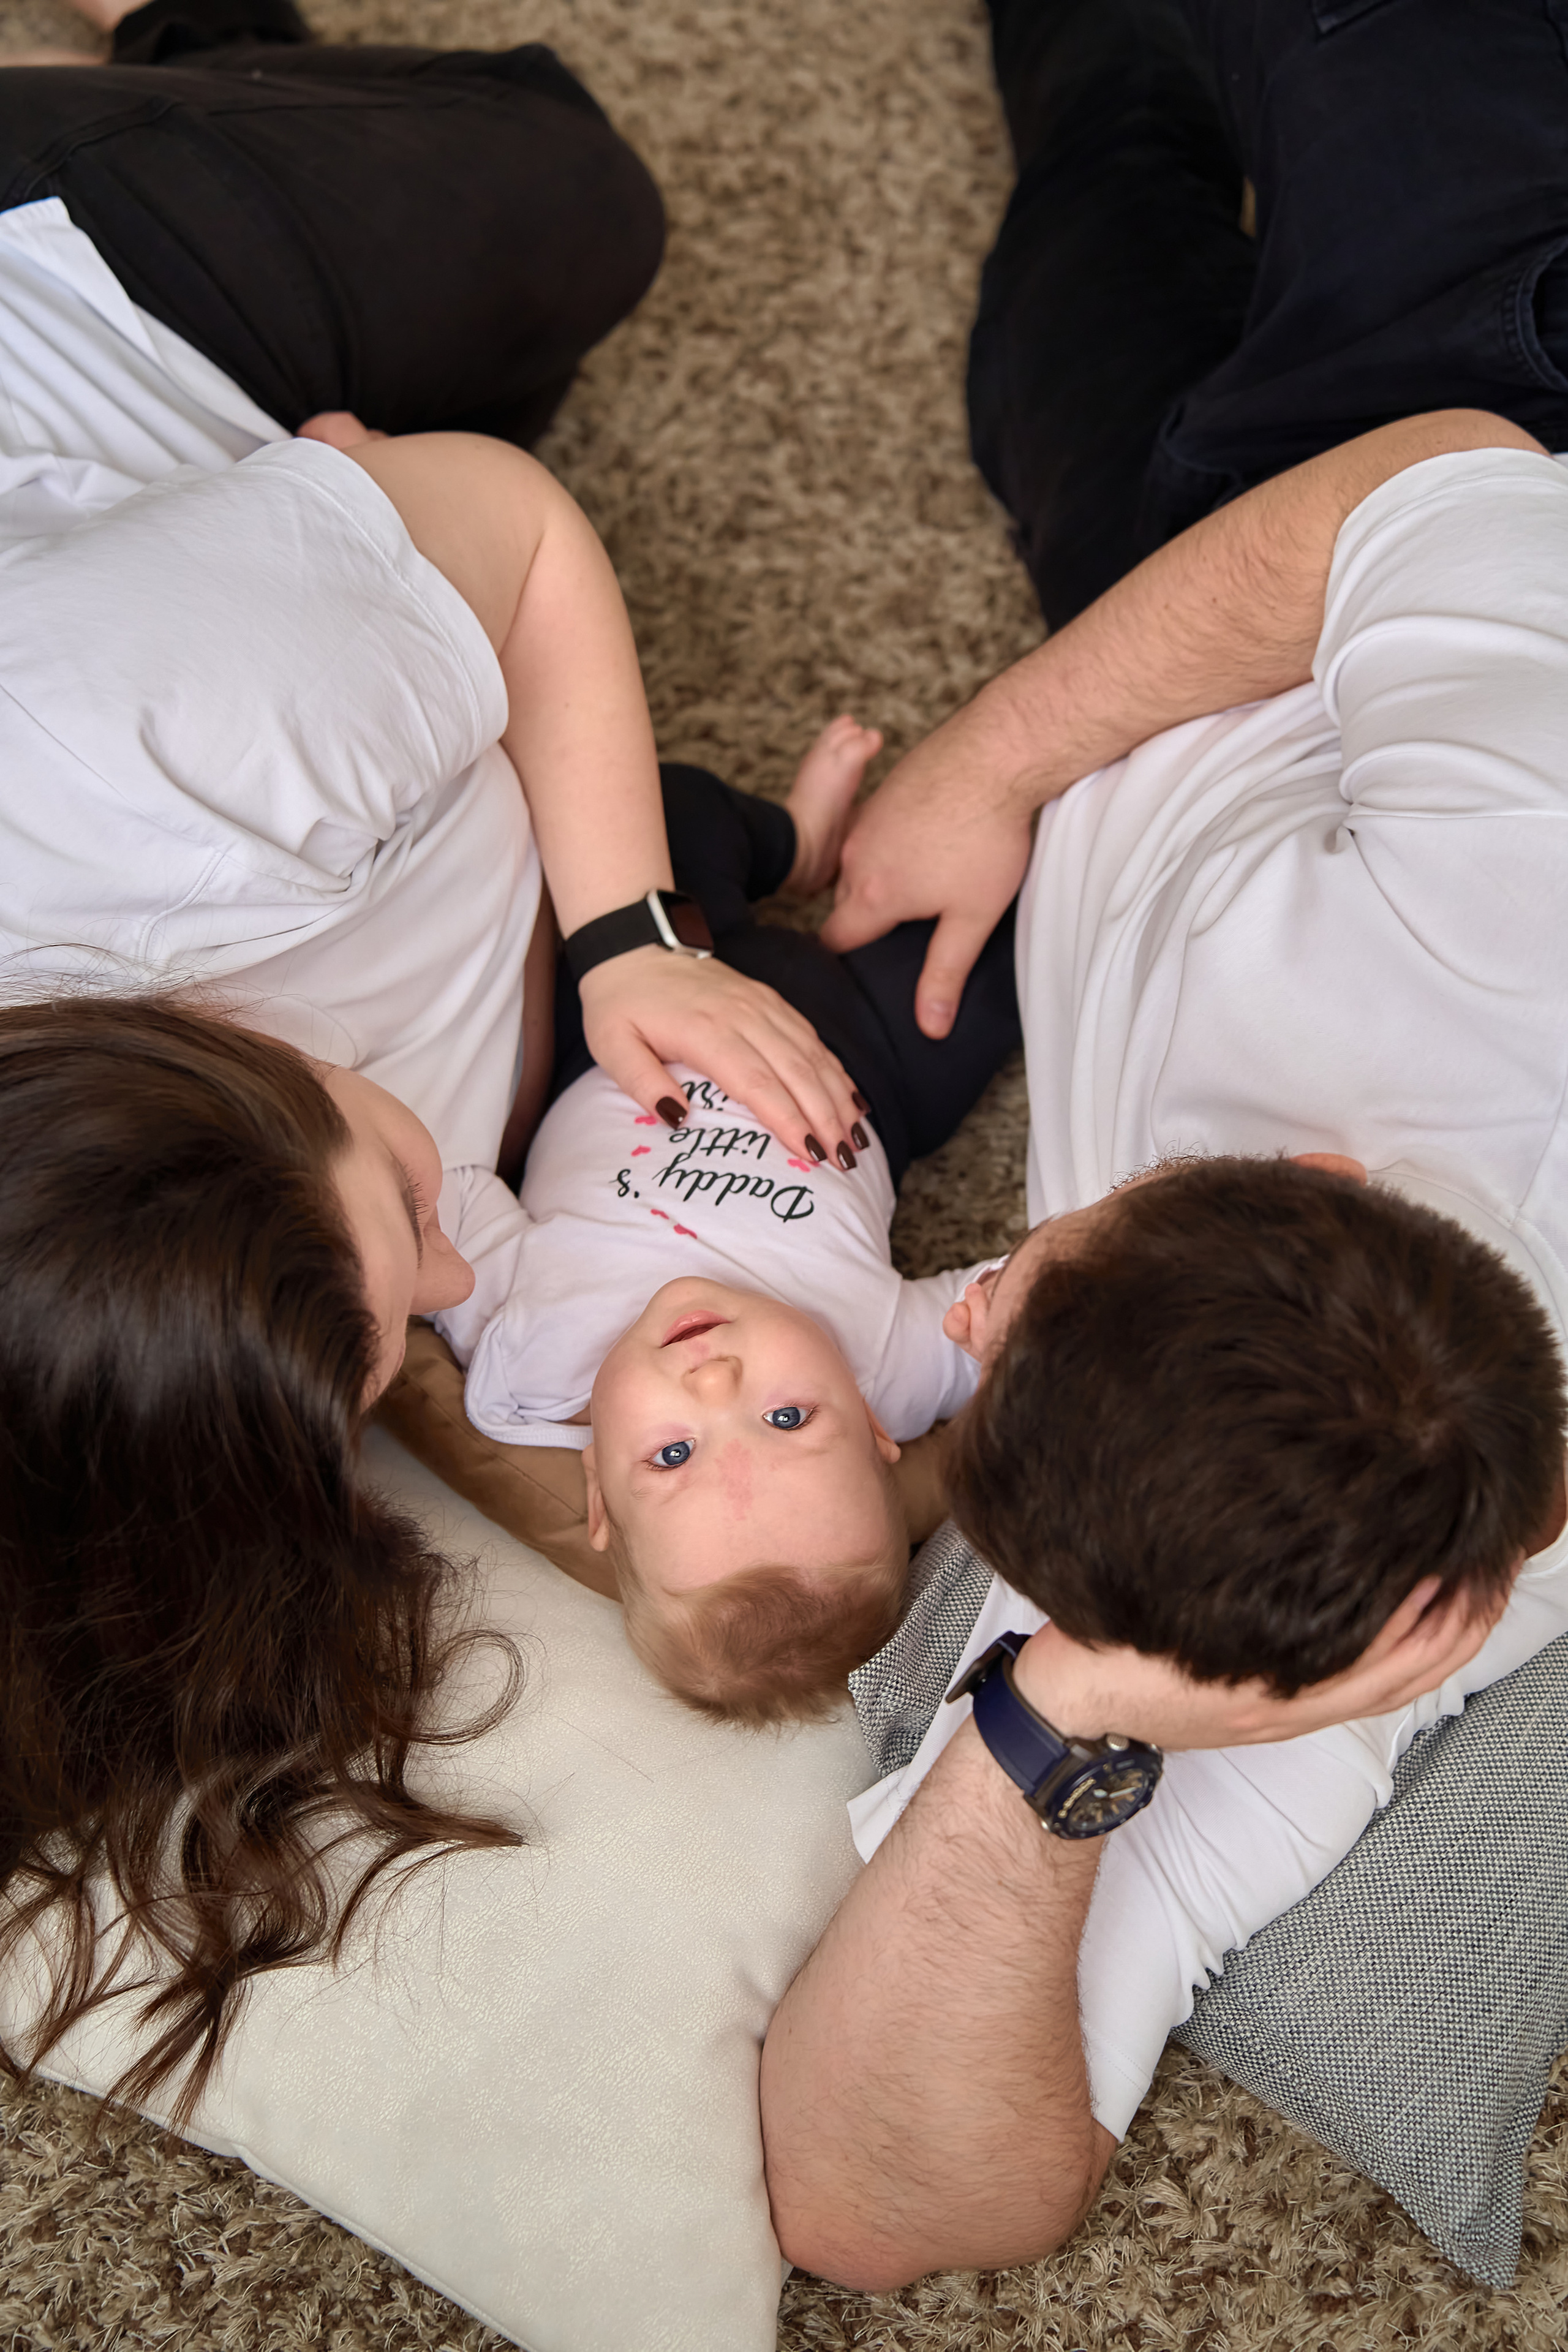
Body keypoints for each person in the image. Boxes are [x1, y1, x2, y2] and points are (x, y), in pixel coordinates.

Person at [0, 0, 869, 2133]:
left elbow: (524, 532)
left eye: (399, 1234)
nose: (466, 1290)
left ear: (213, 1063)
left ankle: (185, 51)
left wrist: (632, 933)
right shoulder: (96, 1304)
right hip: (296, 679)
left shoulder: (164, 748)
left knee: (574, 201)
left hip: (94, 291)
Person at [760, 0, 1568, 2290]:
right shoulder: (1528, 901)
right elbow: (1403, 492)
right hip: (1470, 458)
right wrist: (992, 762)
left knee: (1075, 258)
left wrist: (1062, 1717)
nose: (975, 1291)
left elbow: (869, 2208)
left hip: (1199, 603)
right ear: (1316, 1180)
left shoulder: (1271, 1607)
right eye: (1053, 1268)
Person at [437, 722, 1020, 1724]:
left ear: (596, 1488)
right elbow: (1019, 1305)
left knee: (659, 805)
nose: (715, 1384)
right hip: (868, 1057)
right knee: (999, 959)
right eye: (789, 1420)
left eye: (671, 1456)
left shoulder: (523, 1360)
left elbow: (443, 1193)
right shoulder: (889, 1363)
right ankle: (817, 857)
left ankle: (787, 843)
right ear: (882, 1432)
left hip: (651, 1011)